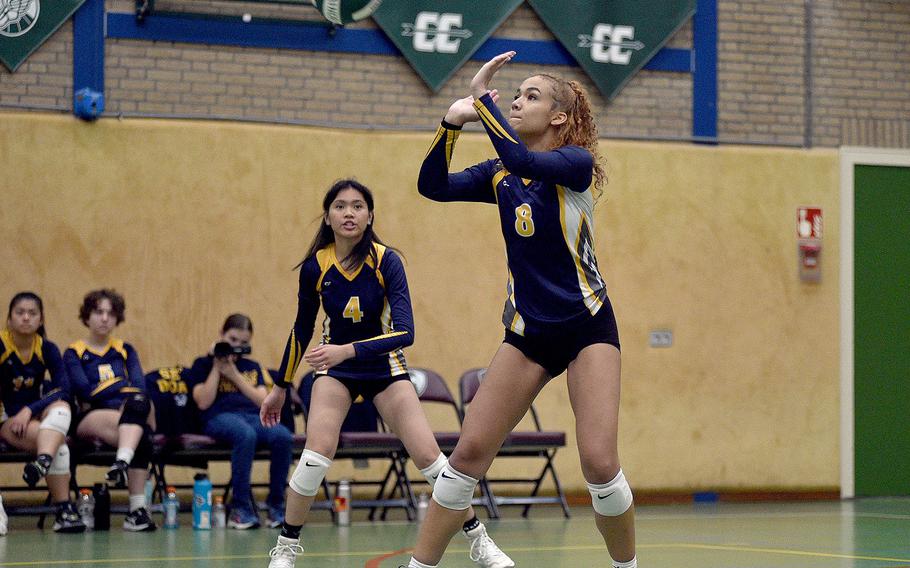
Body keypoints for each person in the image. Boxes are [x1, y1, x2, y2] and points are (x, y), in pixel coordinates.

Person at [405, 52, 637, 568]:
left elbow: (525, 161)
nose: (516, 100)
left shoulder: (575, 164)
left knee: (599, 463)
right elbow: (433, 186)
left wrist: (482, 96)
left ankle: (627, 566)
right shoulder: (499, 174)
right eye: (514, 94)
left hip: (587, 328)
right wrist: (449, 124)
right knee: (466, 457)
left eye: (530, 95)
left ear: (559, 116)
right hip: (528, 332)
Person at [260, 179, 513, 568]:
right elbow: (301, 328)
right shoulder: (316, 265)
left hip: (384, 367)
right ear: (327, 216)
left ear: (370, 215)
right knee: (315, 455)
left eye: (358, 206)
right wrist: (281, 385)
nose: (349, 213)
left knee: (431, 458)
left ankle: (479, 539)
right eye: (340, 206)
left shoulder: (386, 261)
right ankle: (287, 546)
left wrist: (348, 350)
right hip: (336, 373)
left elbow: (405, 332)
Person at [187, 314, 293, 530]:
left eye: (243, 343)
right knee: (245, 435)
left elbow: (263, 400)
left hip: (253, 417)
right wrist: (217, 366)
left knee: (282, 435)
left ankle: (277, 507)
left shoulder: (252, 366)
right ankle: (241, 509)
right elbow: (203, 402)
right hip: (218, 418)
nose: (236, 346)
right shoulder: (202, 364)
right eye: (232, 340)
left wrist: (234, 375)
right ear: (222, 335)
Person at [64, 289, 156, 532]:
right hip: (90, 417)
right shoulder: (74, 352)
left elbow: (140, 386)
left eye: (110, 313)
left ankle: (135, 509)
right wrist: (120, 383)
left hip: (126, 416)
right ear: (87, 316)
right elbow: (85, 392)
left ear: (117, 318)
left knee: (140, 420)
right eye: (98, 312)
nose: (104, 318)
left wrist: (122, 389)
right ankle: (126, 474)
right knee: (138, 427)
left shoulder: (125, 349)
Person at [0, 292, 85, 533]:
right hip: (6, 420)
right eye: (20, 313)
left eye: (32, 313)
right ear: (9, 319)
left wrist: (30, 409)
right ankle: (64, 509)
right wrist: (22, 413)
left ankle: (42, 461)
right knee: (60, 444)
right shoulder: (2, 345)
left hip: (31, 418)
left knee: (62, 407)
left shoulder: (47, 348)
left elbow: (64, 390)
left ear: (41, 319)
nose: (26, 318)